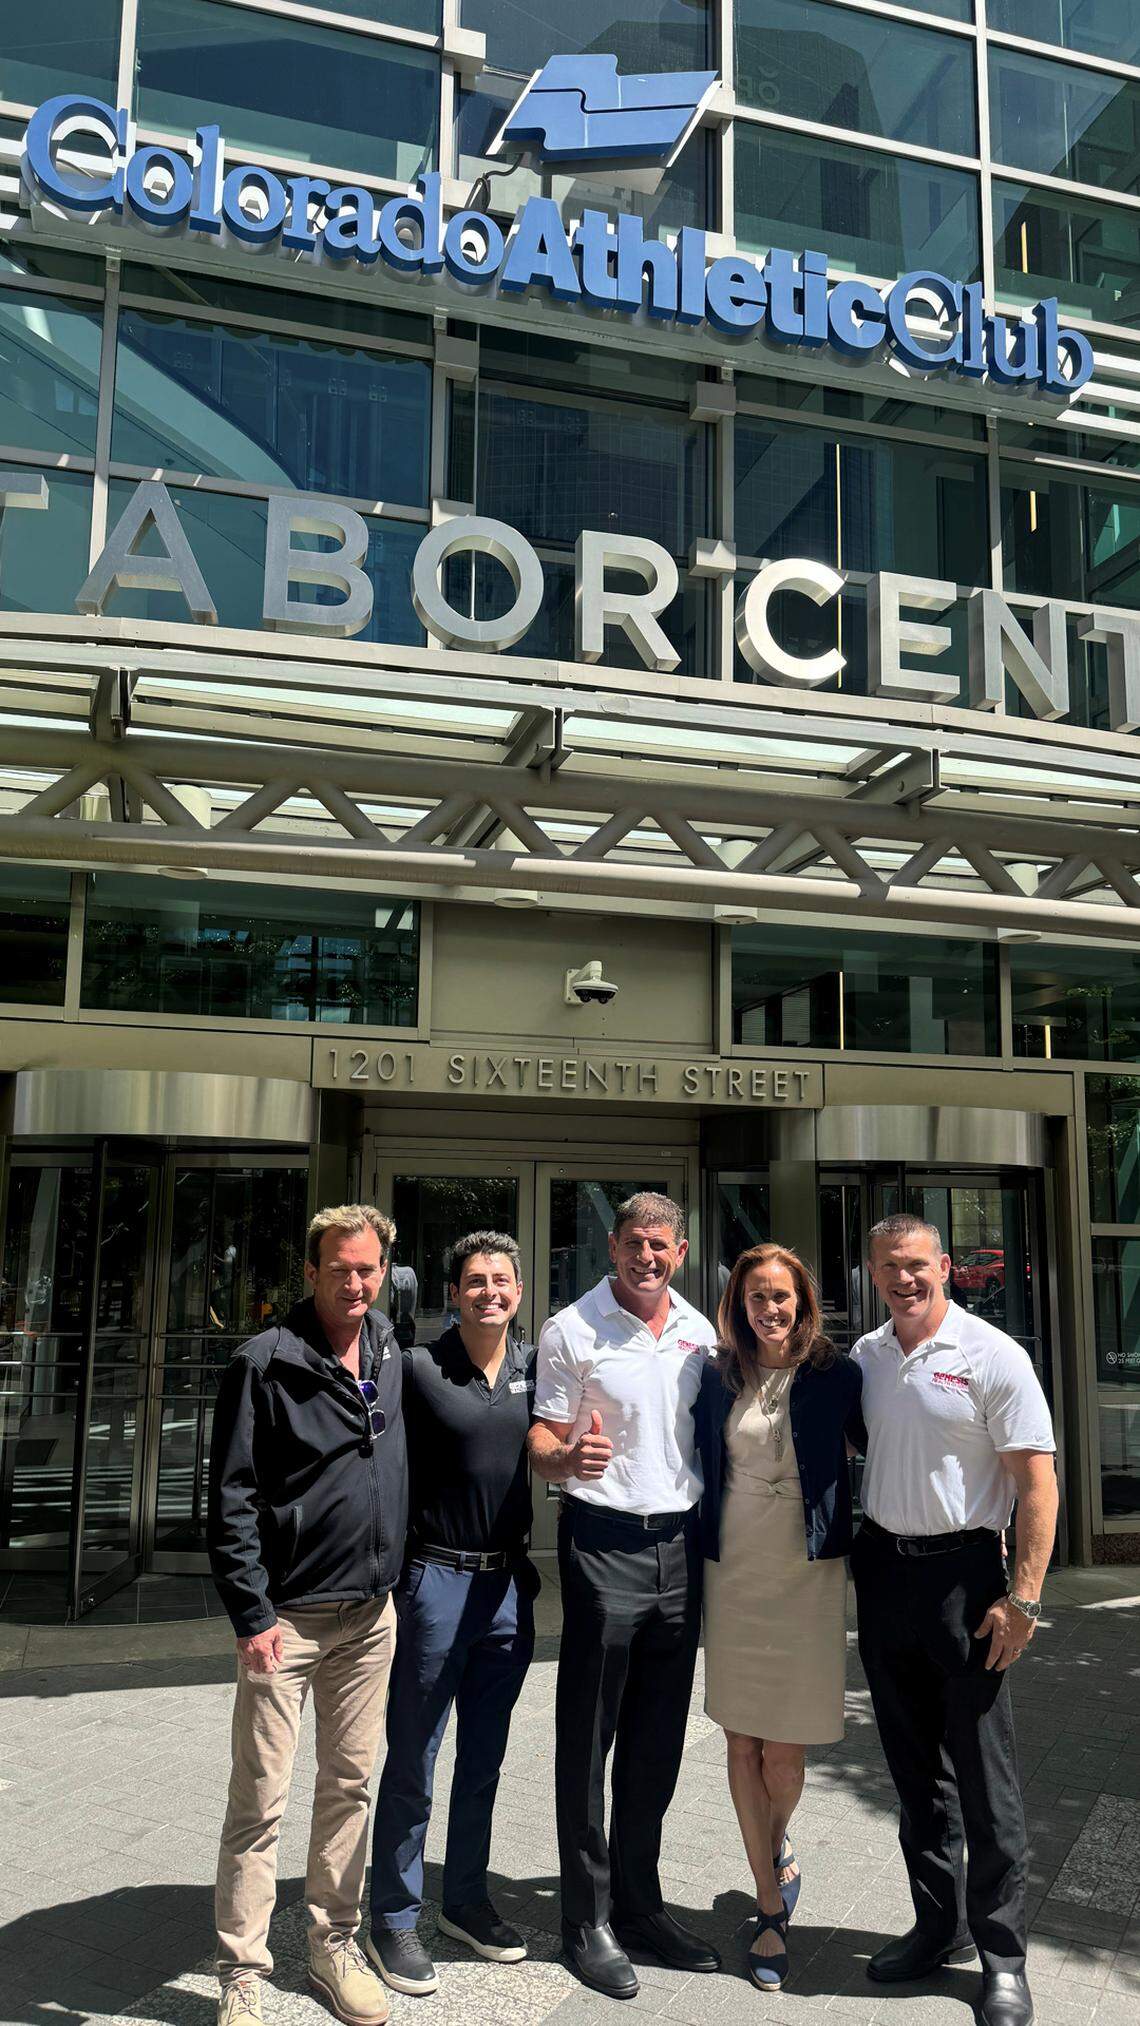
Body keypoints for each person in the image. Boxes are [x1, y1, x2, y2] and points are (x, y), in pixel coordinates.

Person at [851, 1213, 1057, 2026]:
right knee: (913, 1773)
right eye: (889, 1268)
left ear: (945, 1266)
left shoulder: (993, 1356)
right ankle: (936, 1929)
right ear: (872, 1274)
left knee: (984, 1776)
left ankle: (1002, 1957)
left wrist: (1026, 1598)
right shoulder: (867, 1358)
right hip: (883, 1576)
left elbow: (1037, 1484)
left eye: (917, 1265)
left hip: (967, 1585)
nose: (905, 1280)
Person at [207, 1204, 406, 2026]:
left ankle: (332, 1941)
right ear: (311, 1272)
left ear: (383, 1269)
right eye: (340, 1269)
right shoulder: (266, 1361)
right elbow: (230, 1498)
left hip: (369, 1617)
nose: (355, 1283)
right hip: (286, 1622)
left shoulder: (391, 1345)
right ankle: (243, 1971)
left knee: (351, 1786)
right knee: (261, 1799)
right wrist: (252, 1616)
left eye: (368, 1269)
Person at [529, 1191, 721, 2001]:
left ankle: (640, 1905)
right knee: (590, 1736)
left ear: (680, 1251)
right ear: (612, 1246)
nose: (648, 1256)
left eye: (662, 1245)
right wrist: (565, 1459)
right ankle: (586, 1920)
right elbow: (539, 1436)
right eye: (635, 1242)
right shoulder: (571, 1328)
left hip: (680, 1547)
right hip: (603, 1543)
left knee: (657, 1740)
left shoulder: (700, 1333)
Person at [367, 1231, 538, 1996]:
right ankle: (393, 1917)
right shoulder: (420, 1367)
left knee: (483, 1763)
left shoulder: (538, 1369)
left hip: (507, 1591)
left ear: (519, 1291)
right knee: (415, 1759)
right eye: (475, 1280)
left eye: (501, 1280)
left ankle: (465, 1899)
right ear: (453, 1292)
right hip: (435, 1583)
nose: (489, 1292)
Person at [694, 1243, 864, 1992]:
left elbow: (892, 1447)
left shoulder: (838, 1373)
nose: (769, 1307)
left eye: (781, 1295)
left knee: (783, 1756)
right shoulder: (713, 1372)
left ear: (802, 1301)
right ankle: (769, 1903)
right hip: (733, 1566)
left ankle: (777, 1840)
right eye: (756, 1295)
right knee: (741, 1742)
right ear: (739, 1302)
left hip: (805, 1571)